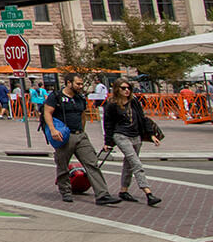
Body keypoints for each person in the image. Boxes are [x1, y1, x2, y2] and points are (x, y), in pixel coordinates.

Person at [43, 73, 119, 206]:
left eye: (81, 84)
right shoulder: (56, 96)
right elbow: (47, 113)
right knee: (63, 165)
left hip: (80, 135)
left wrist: (82, 131)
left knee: (92, 163)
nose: (80, 86)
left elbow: (83, 115)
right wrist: (53, 130)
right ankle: (66, 191)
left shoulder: (80, 98)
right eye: (78, 84)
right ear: (68, 83)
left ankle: (102, 194)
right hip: (64, 135)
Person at [102, 79, 162, 206]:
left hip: (136, 135)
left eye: (128, 88)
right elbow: (108, 124)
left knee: (129, 163)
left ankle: (123, 191)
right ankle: (148, 193)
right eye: (123, 88)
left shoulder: (134, 101)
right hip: (121, 135)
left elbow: (143, 118)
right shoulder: (112, 104)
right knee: (136, 163)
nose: (126, 90)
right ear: (117, 89)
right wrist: (107, 141)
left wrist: (151, 135)